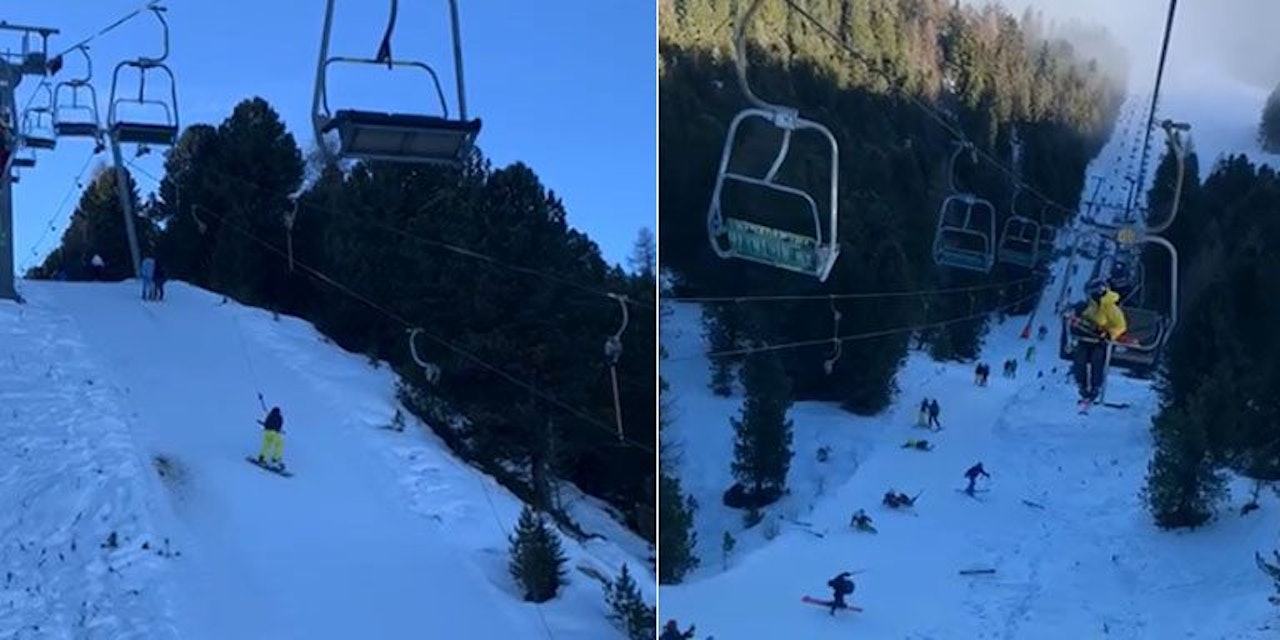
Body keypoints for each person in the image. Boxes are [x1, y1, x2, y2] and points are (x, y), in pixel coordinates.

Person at [1070, 279, 1128, 404]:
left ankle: (1096, 386)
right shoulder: (1090, 306)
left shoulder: (1111, 308)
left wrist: (1108, 334)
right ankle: (1082, 384)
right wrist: (1078, 322)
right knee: (1080, 356)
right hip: (1087, 339)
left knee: (1097, 357)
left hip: (1102, 342)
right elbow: (1084, 319)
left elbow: (1120, 326)